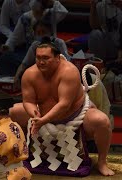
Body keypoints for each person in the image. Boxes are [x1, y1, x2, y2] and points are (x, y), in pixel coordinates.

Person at [9, 42, 115, 176]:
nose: (41, 62)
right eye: (38, 58)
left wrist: (42, 120)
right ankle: (19, 154)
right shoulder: (29, 74)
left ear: (57, 58)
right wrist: (34, 114)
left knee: (102, 121)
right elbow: (28, 101)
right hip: (42, 116)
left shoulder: (69, 72)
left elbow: (64, 104)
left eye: (46, 58)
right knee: (13, 112)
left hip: (74, 116)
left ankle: (102, 162)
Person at [13, 20, 70, 89]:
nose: (41, 35)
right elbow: (24, 64)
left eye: (44, 32)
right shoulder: (35, 45)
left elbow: (67, 63)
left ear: (50, 32)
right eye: (38, 33)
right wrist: (16, 77)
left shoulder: (59, 43)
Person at [88, 0, 122, 64]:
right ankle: (99, 65)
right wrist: (93, 6)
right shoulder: (101, 5)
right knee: (95, 34)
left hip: (119, 45)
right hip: (110, 45)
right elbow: (94, 26)